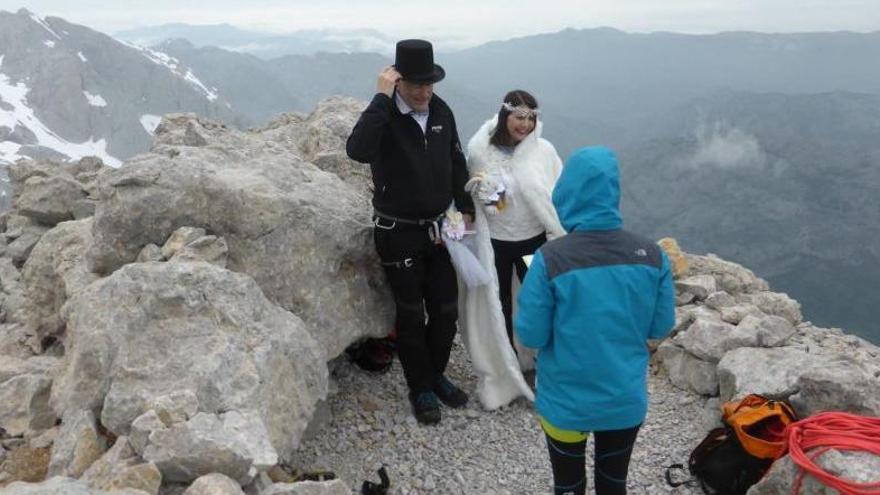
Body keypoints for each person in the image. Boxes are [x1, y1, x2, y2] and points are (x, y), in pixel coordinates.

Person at [515, 146, 676, 495]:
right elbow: (660, 327)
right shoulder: (652, 255)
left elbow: (531, 333)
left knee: (569, 484)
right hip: (623, 400)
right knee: (613, 482)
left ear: (567, 193)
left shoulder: (549, 259)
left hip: (565, 403)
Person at [346, 39, 475, 425]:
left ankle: (436, 374)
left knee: (446, 309)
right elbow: (357, 150)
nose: (422, 92)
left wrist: (465, 209)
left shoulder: (440, 110)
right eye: (414, 84)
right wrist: (380, 100)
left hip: (440, 228)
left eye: (428, 84)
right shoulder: (384, 115)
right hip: (397, 230)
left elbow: (455, 159)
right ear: (397, 80)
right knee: (410, 312)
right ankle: (419, 386)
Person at [457, 90, 565, 409]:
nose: (526, 124)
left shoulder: (542, 151)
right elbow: (495, 207)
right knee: (500, 304)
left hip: (534, 242)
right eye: (519, 117)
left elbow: (555, 192)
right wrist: (490, 192)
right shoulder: (482, 152)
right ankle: (509, 365)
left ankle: (547, 364)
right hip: (499, 245)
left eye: (532, 118)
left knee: (539, 299)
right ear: (505, 115)